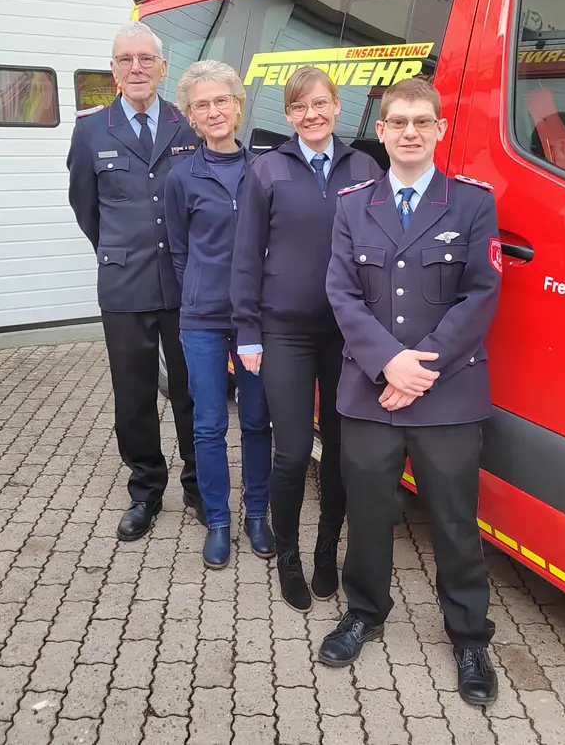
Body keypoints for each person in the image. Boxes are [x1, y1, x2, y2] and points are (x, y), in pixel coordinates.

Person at [316, 76, 502, 705]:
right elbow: (341, 292)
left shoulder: (472, 203)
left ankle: (470, 635)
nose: (410, 133)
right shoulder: (352, 203)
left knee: (453, 521)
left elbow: (481, 293)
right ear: (383, 130)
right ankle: (364, 612)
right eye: (398, 122)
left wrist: (419, 369)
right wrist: (387, 364)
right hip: (371, 389)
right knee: (367, 513)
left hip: (446, 391)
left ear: (440, 128)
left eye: (422, 122)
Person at [230, 66, 380, 612]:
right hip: (283, 332)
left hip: (347, 335)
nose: (311, 115)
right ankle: (288, 554)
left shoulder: (365, 167)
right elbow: (245, 255)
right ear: (288, 115)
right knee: (293, 452)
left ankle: (324, 552)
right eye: (299, 107)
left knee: (341, 454)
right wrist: (247, 330)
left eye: (320, 104)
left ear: (337, 105)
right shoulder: (268, 170)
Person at [67, 21, 202, 542]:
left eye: (146, 59)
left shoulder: (186, 123)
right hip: (125, 285)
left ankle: (197, 485)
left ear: (163, 68)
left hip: (186, 282)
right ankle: (146, 489)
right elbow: (86, 208)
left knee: (194, 390)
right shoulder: (90, 130)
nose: (137, 68)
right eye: (126, 60)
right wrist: (119, 250)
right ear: (114, 70)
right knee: (134, 394)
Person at [162, 60, 275, 569]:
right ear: (190, 115)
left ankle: (256, 514)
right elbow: (180, 251)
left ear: (238, 104)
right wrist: (203, 290)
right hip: (202, 320)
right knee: (208, 424)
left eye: (221, 100)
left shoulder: (265, 169)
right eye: (202, 104)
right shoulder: (181, 177)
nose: (214, 111)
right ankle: (219, 519)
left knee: (256, 421)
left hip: (255, 320)